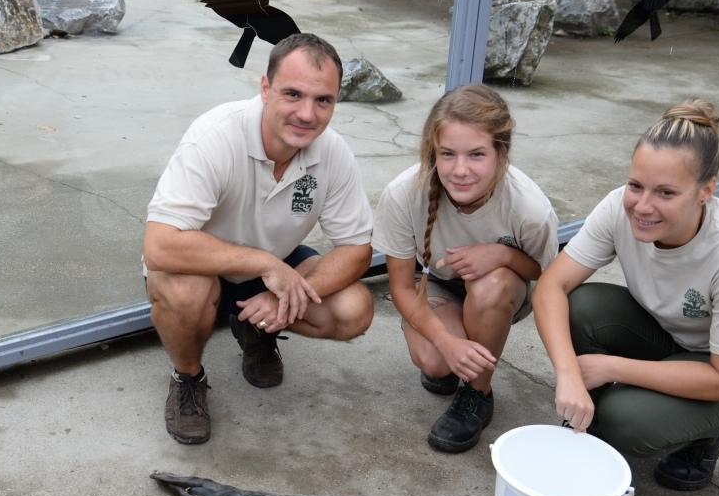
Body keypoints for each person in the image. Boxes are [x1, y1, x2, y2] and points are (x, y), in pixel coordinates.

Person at [143, 33, 374, 445]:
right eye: (293, 94)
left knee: (353, 309)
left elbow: (357, 249)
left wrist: (287, 294)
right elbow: (160, 246)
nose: (307, 113)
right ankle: (188, 379)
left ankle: (257, 329)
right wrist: (267, 266)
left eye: (323, 100)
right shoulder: (215, 136)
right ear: (265, 88)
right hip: (203, 269)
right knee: (185, 292)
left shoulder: (333, 153)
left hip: (275, 265)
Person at [532, 98, 719, 491]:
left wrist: (611, 368)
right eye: (636, 185)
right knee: (580, 306)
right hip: (677, 339)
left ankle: (706, 436)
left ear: (706, 191)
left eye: (666, 193)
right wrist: (569, 374)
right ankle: (588, 418)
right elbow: (552, 285)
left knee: (628, 420)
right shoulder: (618, 206)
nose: (643, 206)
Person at [372, 83, 559, 453]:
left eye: (476, 154)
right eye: (447, 154)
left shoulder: (530, 209)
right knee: (436, 362)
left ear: (501, 153)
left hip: (504, 293)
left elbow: (545, 274)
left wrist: (502, 256)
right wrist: (447, 343)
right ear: (433, 152)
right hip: (438, 286)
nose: (460, 170)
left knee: (490, 288)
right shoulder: (402, 193)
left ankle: (478, 394)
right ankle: (452, 355)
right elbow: (402, 288)